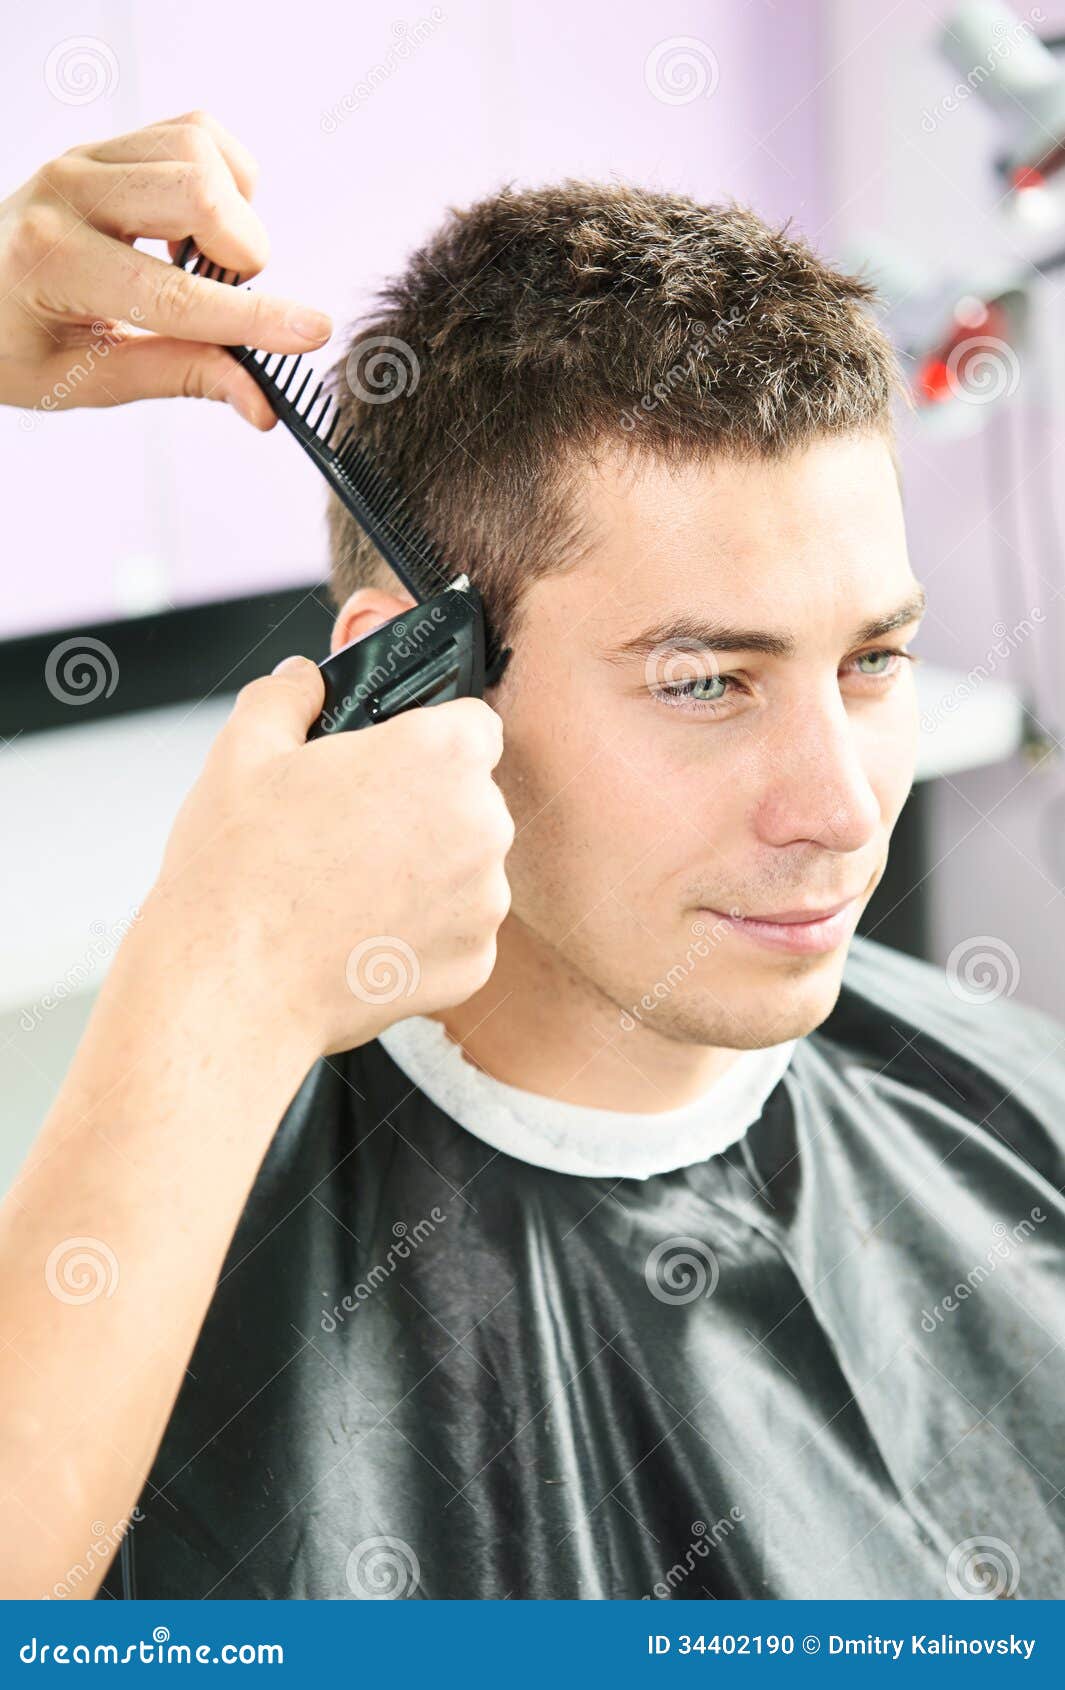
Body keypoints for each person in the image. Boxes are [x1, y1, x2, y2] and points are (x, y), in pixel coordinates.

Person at [2, 113, 1063, 1603]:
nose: (838, 809)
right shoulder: (132, 1343)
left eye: (873, 659)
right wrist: (219, 978)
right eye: (706, 679)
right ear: (417, 684)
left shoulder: (1019, 1124)